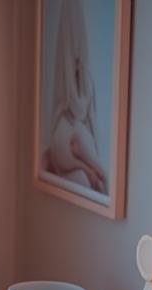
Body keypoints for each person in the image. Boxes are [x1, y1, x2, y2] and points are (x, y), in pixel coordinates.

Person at [45, 0, 108, 194]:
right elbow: (79, 107)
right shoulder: (71, 69)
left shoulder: (75, 62)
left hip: (67, 138)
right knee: (97, 178)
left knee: (91, 180)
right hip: (66, 136)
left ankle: (90, 168)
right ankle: (93, 170)